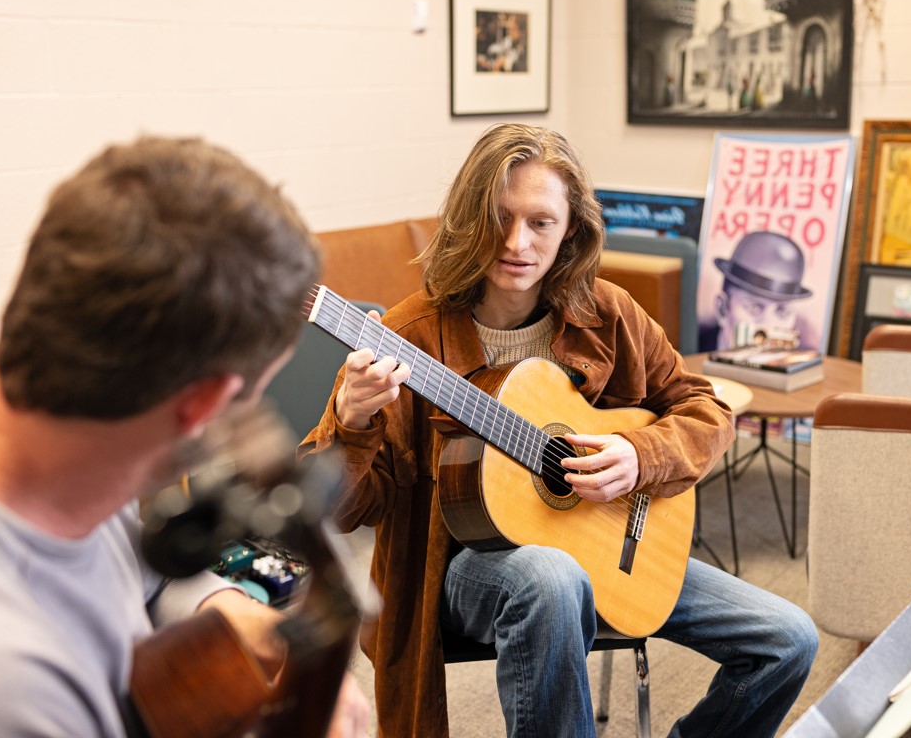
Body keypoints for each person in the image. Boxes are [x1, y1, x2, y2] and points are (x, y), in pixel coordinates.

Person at [300, 123, 818, 737]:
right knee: (551, 577)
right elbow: (337, 512)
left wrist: (638, 453)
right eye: (499, 217)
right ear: (471, 217)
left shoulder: (609, 313)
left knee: (788, 639)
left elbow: (705, 408)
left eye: (541, 222)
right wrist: (353, 423)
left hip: (607, 542)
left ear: (571, 226)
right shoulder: (410, 336)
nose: (517, 242)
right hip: (461, 566)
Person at [0, 136, 370, 737]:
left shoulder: (76, 457)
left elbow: (152, 573)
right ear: (204, 404)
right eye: (250, 402)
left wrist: (233, 619)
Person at [709, 230, 816, 351]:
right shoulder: (690, 356)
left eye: (782, 311)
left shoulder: (802, 358)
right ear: (722, 309)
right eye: (754, 308)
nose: (768, 324)